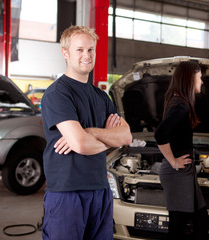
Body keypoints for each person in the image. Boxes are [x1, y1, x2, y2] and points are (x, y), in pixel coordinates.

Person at [41, 25, 132, 240]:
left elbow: (126, 136)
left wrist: (88, 131)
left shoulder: (101, 97)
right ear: (66, 53)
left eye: (91, 50)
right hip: (67, 193)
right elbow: (81, 145)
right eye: (80, 50)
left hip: (100, 190)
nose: (87, 55)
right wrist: (108, 138)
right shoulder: (57, 93)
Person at [154, 61, 209, 240]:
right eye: (200, 77)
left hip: (184, 171)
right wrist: (173, 161)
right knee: (178, 226)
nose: (201, 82)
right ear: (190, 78)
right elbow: (160, 134)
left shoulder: (178, 100)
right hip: (177, 171)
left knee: (201, 222)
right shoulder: (180, 105)